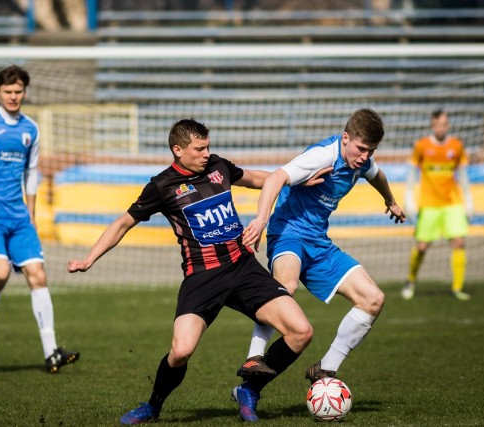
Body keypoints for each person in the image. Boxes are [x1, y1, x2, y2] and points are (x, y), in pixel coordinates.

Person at [68, 118, 314, 424]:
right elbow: (123, 223)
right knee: (181, 351)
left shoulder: (218, 166)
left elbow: (255, 178)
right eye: (199, 148)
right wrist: (90, 258)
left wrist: (296, 179)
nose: (206, 153)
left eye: (208, 146)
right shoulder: (161, 186)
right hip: (203, 277)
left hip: (243, 267)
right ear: (178, 150)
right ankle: (153, 406)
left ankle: (249, 390)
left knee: (301, 331)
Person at [237, 108, 406, 385]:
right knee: (286, 286)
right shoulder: (323, 155)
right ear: (345, 138)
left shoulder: (362, 162)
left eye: (371, 151)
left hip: (318, 242)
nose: (365, 157)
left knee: (373, 299)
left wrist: (390, 201)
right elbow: (275, 178)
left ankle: (326, 368)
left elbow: (377, 175)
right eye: (361, 149)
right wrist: (261, 221)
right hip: (288, 233)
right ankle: (255, 355)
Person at [0, 65, 79, 373]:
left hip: (19, 218)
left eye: (18, 91)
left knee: (38, 275)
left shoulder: (31, 130)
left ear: (24, 92)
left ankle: (51, 352)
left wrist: (32, 214)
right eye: (7, 91)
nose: (12, 96)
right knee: (0, 273)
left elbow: (32, 173)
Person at [401, 109, 474, 301]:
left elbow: (463, 173)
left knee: (459, 241)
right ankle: (410, 281)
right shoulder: (422, 146)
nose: (441, 128)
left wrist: (468, 199)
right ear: (432, 125)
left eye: (444, 124)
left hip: (453, 202)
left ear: (447, 125)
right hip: (429, 203)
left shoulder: (456, 146)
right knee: (422, 246)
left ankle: (457, 288)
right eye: (437, 124)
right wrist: (409, 197)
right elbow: (412, 172)